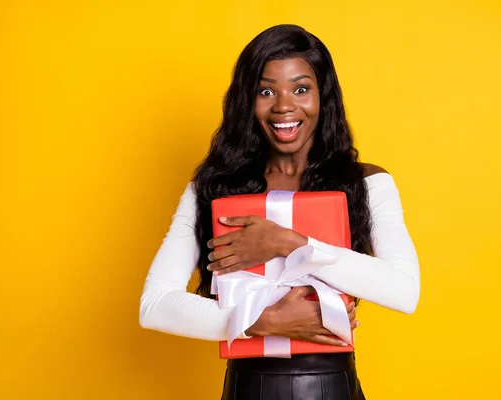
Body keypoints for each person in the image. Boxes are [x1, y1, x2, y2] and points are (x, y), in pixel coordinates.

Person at [139, 24, 420, 400]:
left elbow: (405, 290)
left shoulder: (368, 183)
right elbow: (154, 305)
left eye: (301, 89)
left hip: (333, 387)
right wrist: (259, 321)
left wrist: (287, 242)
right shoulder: (213, 188)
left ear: (324, 97)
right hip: (246, 387)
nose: (284, 106)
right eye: (266, 91)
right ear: (246, 101)